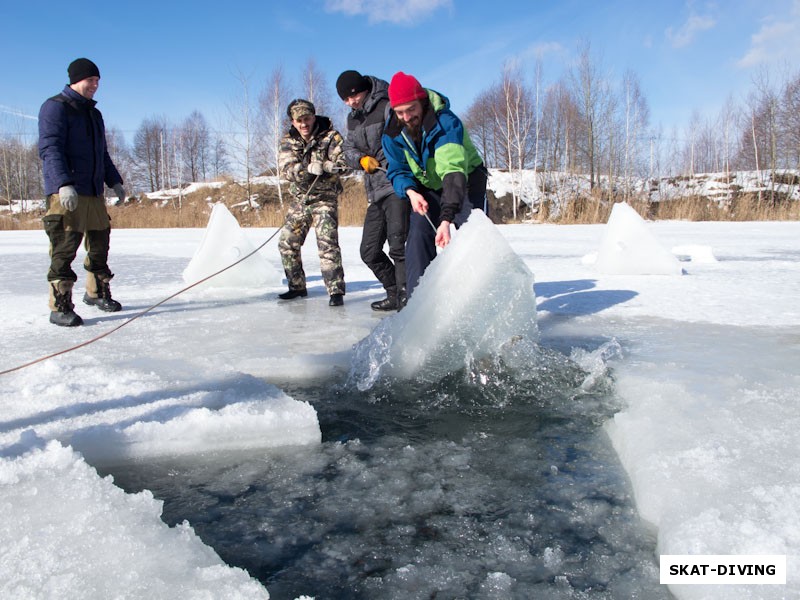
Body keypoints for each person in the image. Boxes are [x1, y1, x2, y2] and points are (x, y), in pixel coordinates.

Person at [381, 71, 488, 298]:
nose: (407, 117)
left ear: (421, 102)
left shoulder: (445, 122)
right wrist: (410, 192)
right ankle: (418, 304)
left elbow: (452, 171)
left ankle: (484, 298)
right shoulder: (391, 133)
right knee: (418, 234)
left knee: (475, 233)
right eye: (400, 112)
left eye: (411, 109)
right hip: (426, 187)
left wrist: (446, 218)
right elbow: (397, 169)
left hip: (465, 180)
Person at [38, 58, 126, 327]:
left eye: (98, 81)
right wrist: (63, 183)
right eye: (91, 80)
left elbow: (102, 154)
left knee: (100, 244)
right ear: (76, 79)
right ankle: (59, 305)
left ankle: (96, 293)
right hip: (67, 194)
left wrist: (115, 181)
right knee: (64, 248)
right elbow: (50, 149)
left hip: (93, 192)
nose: (95, 86)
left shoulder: (93, 114)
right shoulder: (55, 108)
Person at [336, 69, 410, 311]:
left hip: (395, 183)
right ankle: (394, 293)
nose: (351, 102)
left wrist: (388, 163)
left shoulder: (387, 105)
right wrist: (361, 161)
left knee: (398, 246)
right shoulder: (352, 119)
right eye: (346, 99)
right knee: (369, 251)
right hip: (374, 189)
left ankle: (407, 299)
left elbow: (401, 140)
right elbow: (348, 149)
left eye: (353, 96)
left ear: (363, 89)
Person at [277, 99, 347, 306]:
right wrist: (306, 169)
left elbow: (344, 164)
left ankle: (335, 291)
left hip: (325, 199)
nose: (303, 124)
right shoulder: (288, 141)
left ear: (313, 116)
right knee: (287, 242)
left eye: (306, 119)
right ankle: (296, 286)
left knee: (327, 243)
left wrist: (329, 165)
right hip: (301, 200)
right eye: (299, 120)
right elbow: (286, 170)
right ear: (293, 121)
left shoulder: (331, 136)